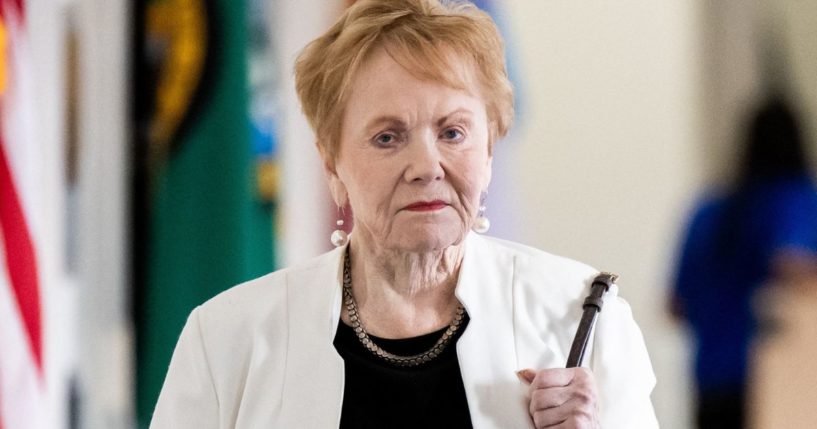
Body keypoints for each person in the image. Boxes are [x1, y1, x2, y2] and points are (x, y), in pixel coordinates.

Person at [150, 0, 658, 427]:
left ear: (489, 150)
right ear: (332, 162)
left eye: (453, 132)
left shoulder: (582, 320)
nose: (426, 166)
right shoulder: (227, 338)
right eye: (387, 137)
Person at [670, 95, 817, 429]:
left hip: (710, 378)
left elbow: (675, 305)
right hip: (773, 381)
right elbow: (789, 263)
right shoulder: (797, 199)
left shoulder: (707, 210)